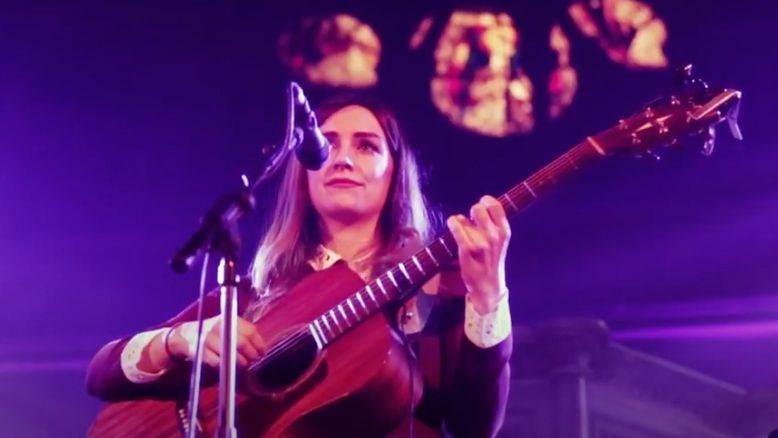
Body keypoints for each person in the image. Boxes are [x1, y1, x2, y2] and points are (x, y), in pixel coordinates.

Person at [86, 92, 514, 437]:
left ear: (395, 173)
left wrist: (489, 296)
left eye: (367, 146)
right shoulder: (259, 294)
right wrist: (178, 340)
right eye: (327, 145)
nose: (343, 159)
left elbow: (475, 427)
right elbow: (102, 374)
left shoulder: (439, 290)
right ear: (305, 172)